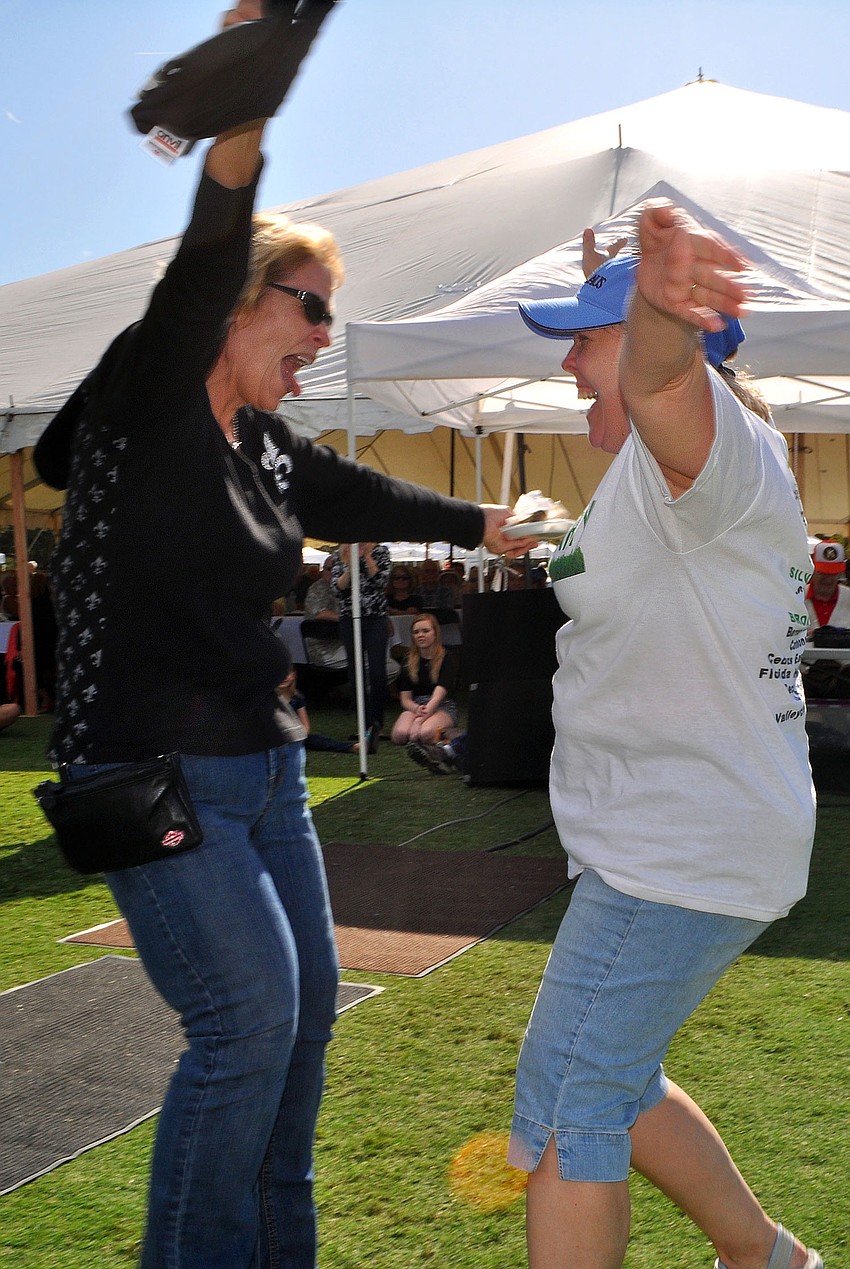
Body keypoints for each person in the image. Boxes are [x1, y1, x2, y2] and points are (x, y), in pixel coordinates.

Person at [35, 7, 537, 1266]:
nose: (323, 339)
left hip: (263, 777)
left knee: (303, 1024)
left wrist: (487, 518)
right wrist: (262, 61)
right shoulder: (155, 393)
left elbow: (360, 497)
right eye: (309, 310)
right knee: (246, 1026)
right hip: (154, 771)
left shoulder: (260, 441)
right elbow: (212, 226)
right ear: (243, 300)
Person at [510, 204, 821, 1269]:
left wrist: (649, 313)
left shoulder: (710, 449)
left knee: (569, 1107)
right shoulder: (667, 478)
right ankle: (766, 1259)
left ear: (678, 336)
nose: (570, 366)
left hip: (678, 848)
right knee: (617, 1077)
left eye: (582, 340)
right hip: (675, 836)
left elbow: (653, 382)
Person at [330, 541, 391, 746]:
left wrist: (366, 557)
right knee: (355, 673)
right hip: (350, 618)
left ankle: (376, 723)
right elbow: (338, 590)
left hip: (375, 618)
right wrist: (349, 565)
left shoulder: (381, 551)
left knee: (377, 672)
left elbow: (381, 581)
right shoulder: (340, 553)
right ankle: (363, 725)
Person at [391, 612, 458, 746]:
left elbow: (437, 697)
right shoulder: (408, 661)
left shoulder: (447, 658)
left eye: (425, 631)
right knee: (400, 735)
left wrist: (418, 721)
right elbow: (405, 698)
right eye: (416, 632)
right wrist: (415, 708)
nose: (420, 635)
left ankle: (447, 732)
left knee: (425, 734)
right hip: (417, 705)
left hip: (441, 705)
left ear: (435, 633)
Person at [804, 539, 850, 635]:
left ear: (840, 574)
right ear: (812, 569)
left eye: (833, 573)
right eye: (823, 573)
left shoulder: (848, 597)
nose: (828, 579)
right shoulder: (797, 596)